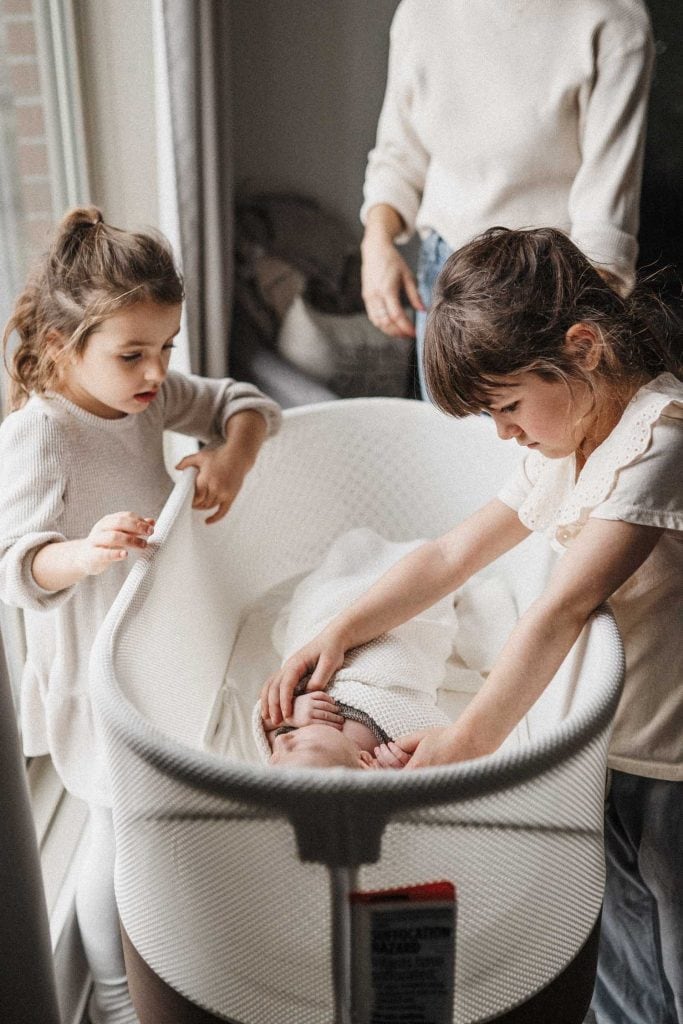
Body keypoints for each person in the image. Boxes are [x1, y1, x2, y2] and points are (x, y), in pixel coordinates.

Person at [261, 226, 682, 1023]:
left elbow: (563, 606)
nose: (504, 433)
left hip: (670, 761)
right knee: (621, 942)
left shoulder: (659, 437)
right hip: (612, 745)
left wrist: (462, 746)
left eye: (509, 407)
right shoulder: (570, 445)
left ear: (583, 348)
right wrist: (339, 630)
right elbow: (450, 554)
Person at [0, 207, 282, 1024]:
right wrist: (82, 553)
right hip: (94, 668)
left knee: (133, 822)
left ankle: (158, 963)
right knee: (113, 835)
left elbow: (244, 399)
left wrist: (232, 453)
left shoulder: (146, 399)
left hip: (157, 645)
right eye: (133, 353)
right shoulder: (41, 435)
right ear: (62, 347)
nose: (157, 370)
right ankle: (118, 1000)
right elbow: (14, 567)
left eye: (167, 347)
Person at [360, 0, 654, 397]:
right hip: (447, 278)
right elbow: (399, 155)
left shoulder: (612, 18)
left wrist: (571, 338)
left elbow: (605, 220)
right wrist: (376, 243)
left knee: (532, 454)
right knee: (453, 449)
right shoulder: (421, 11)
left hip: (552, 293)